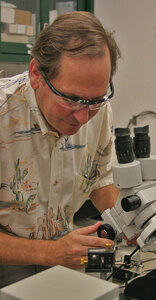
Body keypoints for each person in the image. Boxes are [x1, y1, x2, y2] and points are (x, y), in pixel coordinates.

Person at [0, 11, 121, 286]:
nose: (83, 117)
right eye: (71, 99)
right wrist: (51, 252)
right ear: (36, 74)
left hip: (61, 258)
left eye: (95, 100)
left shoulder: (99, 112)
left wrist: (128, 221)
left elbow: (99, 179)